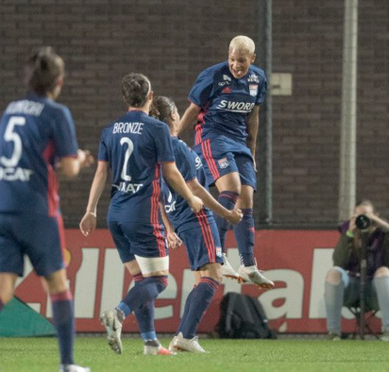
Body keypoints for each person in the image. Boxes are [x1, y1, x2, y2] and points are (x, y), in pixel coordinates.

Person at [0, 47, 93, 372]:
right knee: (58, 285)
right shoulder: (56, 113)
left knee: (0, 288)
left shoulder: (10, 110)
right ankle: (67, 363)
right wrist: (81, 160)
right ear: (58, 81)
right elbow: (68, 169)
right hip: (35, 210)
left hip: (1, 208)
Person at [79, 74, 204, 356]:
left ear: (126, 99)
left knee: (141, 279)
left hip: (115, 215)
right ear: (150, 96)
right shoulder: (157, 129)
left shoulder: (110, 130)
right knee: (159, 280)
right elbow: (171, 172)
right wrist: (190, 197)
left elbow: (101, 172)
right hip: (142, 214)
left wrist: (90, 210)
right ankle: (119, 313)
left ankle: (150, 342)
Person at [148, 96, 243, 353]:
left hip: (180, 218)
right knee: (213, 274)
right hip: (195, 216)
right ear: (174, 117)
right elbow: (195, 188)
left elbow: (156, 194)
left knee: (201, 277)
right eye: (177, 112)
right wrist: (227, 213)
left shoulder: (159, 150)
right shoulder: (176, 147)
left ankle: (183, 336)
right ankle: (186, 336)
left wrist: (169, 228)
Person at [177, 35, 273, 288]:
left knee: (247, 198)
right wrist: (173, 135)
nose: (236, 66)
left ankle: (248, 264)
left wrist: (251, 151)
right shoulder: (213, 75)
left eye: (242, 61)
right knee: (231, 188)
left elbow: (254, 115)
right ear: (227, 54)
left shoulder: (258, 79)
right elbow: (192, 110)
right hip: (212, 136)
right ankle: (217, 255)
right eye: (232, 59)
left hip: (239, 141)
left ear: (252, 59)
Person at [324, 200, 389, 342]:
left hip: (377, 291)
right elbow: (338, 261)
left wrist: (382, 225)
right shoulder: (348, 232)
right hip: (352, 289)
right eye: (357, 215)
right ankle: (334, 334)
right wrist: (350, 234)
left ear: (375, 215)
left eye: (366, 215)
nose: (362, 219)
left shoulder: (385, 232)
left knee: (383, 271)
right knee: (334, 272)